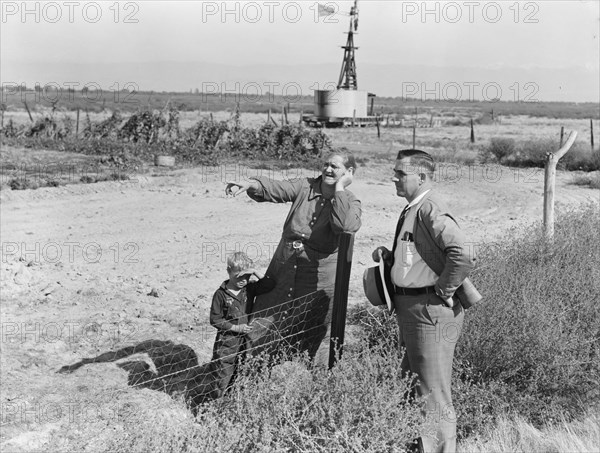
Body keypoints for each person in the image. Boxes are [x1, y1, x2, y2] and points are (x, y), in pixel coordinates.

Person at [372, 149, 478, 453]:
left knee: (433, 394)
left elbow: (463, 254)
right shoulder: (412, 209)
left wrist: (443, 291)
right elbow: (414, 257)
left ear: (421, 176)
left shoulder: (429, 207)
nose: (394, 178)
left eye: (400, 173)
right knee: (413, 387)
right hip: (412, 308)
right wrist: (391, 260)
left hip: (429, 310)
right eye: (394, 171)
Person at [224, 153, 362, 364]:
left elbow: (344, 226)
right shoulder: (304, 186)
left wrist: (340, 189)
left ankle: (306, 375)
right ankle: (253, 369)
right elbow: (277, 188)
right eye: (325, 164)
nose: (328, 170)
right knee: (266, 318)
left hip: (318, 277)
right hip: (284, 268)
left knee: (312, 326)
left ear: (348, 172)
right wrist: (250, 184)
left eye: (334, 166)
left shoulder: (350, 200)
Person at [209, 252, 275, 397]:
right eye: (237, 276)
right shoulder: (220, 294)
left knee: (240, 371)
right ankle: (216, 404)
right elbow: (215, 319)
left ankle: (233, 401)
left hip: (245, 341)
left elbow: (269, 285)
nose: (242, 280)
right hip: (227, 342)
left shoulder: (249, 289)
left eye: (245, 276)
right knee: (223, 375)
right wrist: (235, 328)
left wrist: (255, 272)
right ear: (228, 271)